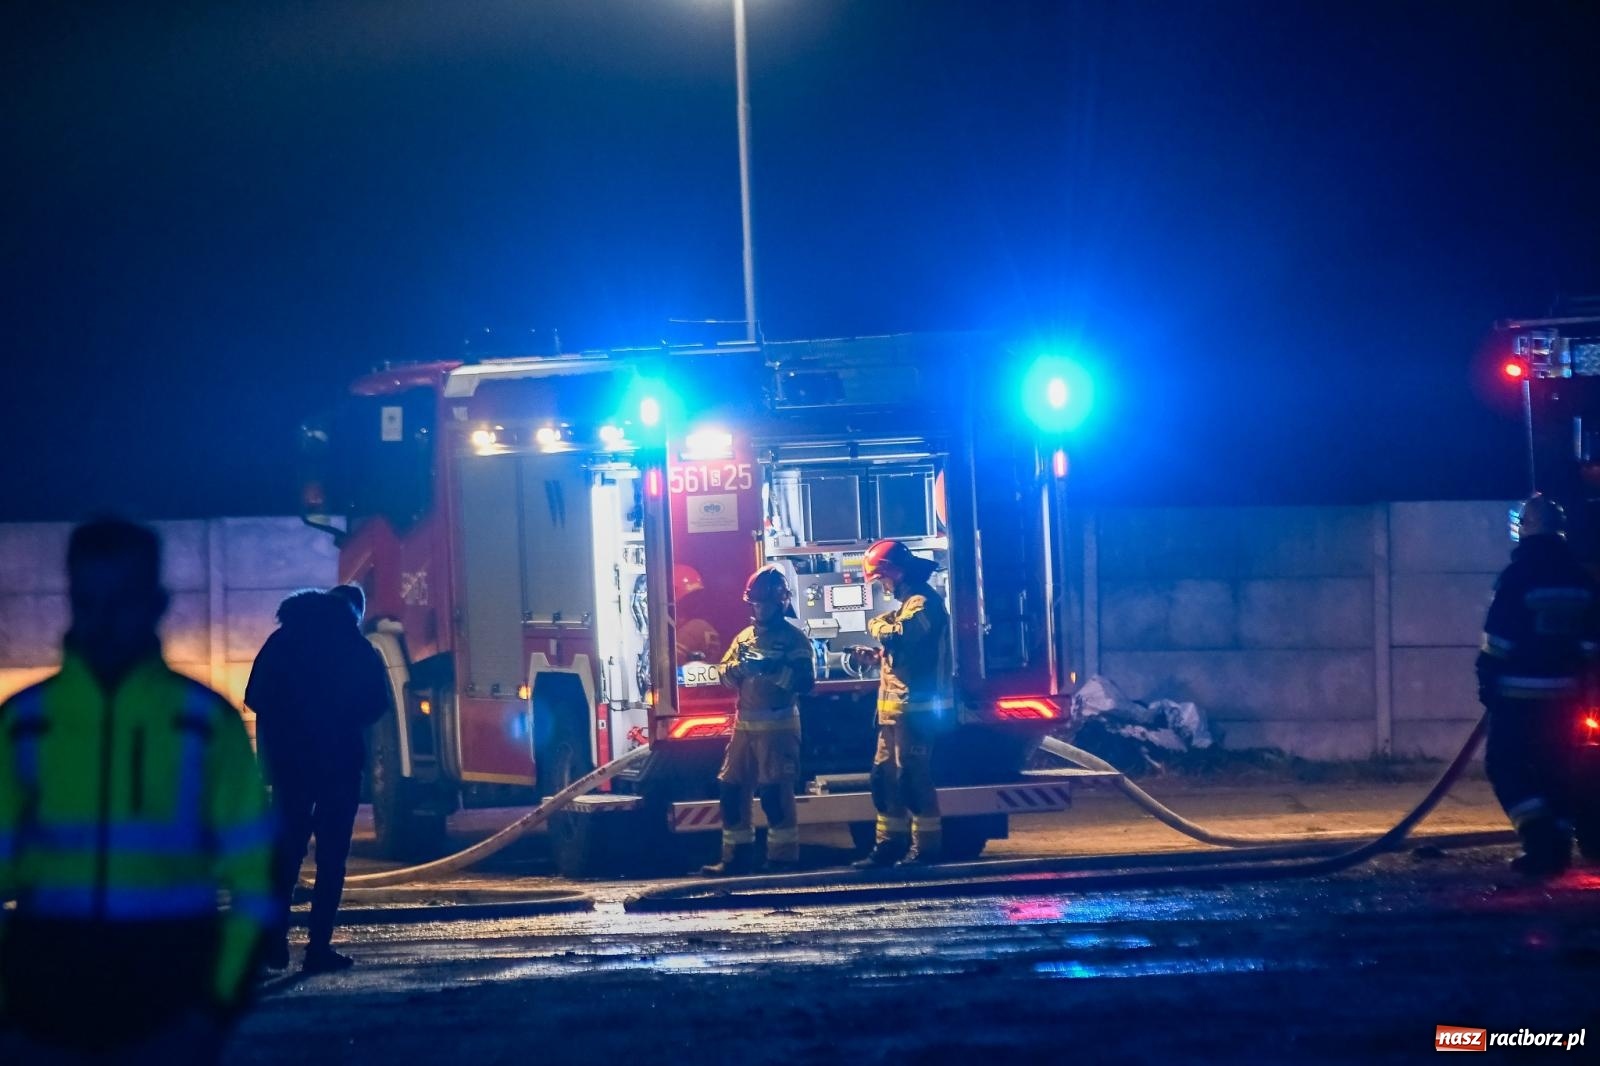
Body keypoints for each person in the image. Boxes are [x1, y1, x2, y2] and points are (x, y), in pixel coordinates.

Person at [0, 519, 273, 1062]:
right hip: (45, 1011)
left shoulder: (202, 724)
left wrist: (217, 1006)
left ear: (156, 602)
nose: (102, 618)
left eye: (121, 599)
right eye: (88, 599)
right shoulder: (24, 725)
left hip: (169, 1009)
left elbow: (258, 876)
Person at [246, 584, 388, 973]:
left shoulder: (282, 640)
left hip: (290, 766)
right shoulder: (354, 646)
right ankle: (317, 949)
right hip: (339, 764)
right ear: (353, 613)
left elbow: (256, 697)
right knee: (331, 860)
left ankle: (274, 944)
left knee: (285, 855)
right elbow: (377, 704)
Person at [1476, 494, 1600, 877]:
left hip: (1517, 698)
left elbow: (1497, 640)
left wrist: (1487, 682)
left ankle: (1539, 839)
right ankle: (1558, 846)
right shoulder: (1580, 578)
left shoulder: (1517, 577)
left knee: (1505, 765)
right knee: (1559, 771)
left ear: (1529, 526)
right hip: (1565, 699)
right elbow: (1590, 644)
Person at [702, 566, 815, 876]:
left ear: (780, 603)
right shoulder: (744, 638)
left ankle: (782, 859)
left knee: (774, 796)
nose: (758, 608)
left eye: (764, 603)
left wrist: (772, 669)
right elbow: (723, 674)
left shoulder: (794, 640)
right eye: (754, 603)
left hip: (778, 731)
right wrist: (737, 669)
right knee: (730, 790)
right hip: (744, 730)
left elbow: (806, 683)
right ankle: (736, 857)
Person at [854, 539, 952, 867]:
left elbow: (901, 635)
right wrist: (877, 657)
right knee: (884, 780)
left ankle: (926, 850)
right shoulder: (908, 603)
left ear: (894, 572)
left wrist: (876, 625)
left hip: (917, 713)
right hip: (892, 715)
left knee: (913, 781)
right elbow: (904, 652)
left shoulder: (924, 603)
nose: (882, 585)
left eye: (882, 578)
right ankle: (889, 846)